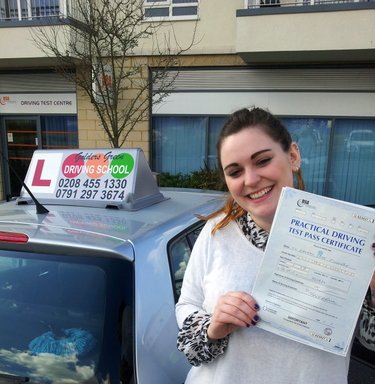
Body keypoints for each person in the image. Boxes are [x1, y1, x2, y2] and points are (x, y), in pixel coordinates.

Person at [175, 107, 375, 384]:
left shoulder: (349, 237)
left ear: (292, 156)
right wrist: (213, 327)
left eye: (262, 160)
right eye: (235, 171)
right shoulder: (216, 232)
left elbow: (370, 342)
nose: (251, 179)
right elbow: (187, 307)